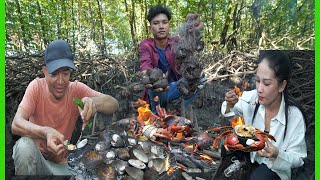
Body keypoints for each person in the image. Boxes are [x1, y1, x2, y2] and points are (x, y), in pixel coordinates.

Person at [11, 39, 119, 175]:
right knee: (24, 146)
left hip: (61, 165)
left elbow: (114, 103)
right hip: (36, 161)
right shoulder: (36, 87)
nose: (60, 81)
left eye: (66, 73)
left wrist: (94, 102)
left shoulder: (76, 90)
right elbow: (16, 124)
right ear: (44, 71)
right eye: (54, 74)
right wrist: (46, 132)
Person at [220, 50, 307, 179]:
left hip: (274, 170)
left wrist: (277, 154)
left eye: (266, 83)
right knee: (228, 146)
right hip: (251, 157)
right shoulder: (252, 98)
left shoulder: (294, 117)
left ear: (281, 85)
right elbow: (229, 111)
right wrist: (230, 104)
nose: (260, 89)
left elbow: (298, 158)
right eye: (257, 80)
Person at [139, 4, 205, 114]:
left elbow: (190, 48)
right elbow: (145, 65)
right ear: (150, 28)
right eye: (156, 23)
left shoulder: (176, 42)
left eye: (164, 22)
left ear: (169, 25)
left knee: (201, 79)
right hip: (158, 90)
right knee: (154, 87)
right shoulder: (145, 45)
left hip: (176, 88)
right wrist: (152, 78)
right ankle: (158, 114)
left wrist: (193, 30)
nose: (161, 26)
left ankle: (178, 109)